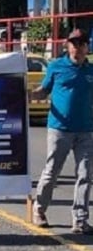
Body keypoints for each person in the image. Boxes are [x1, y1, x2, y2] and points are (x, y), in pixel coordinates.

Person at [31, 29, 93, 234]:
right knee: (52, 171)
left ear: (87, 47)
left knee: (85, 175)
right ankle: (39, 210)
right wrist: (27, 93)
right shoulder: (56, 67)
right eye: (74, 43)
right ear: (67, 46)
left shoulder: (91, 71)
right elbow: (44, 89)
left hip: (85, 130)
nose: (78, 48)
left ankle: (80, 219)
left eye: (82, 44)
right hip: (59, 129)